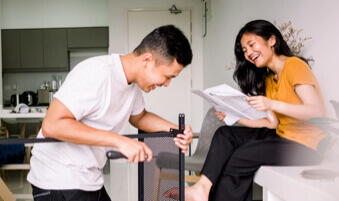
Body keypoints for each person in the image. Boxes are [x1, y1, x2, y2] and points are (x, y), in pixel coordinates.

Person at [164, 19, 327, 201]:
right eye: (245, 50)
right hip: (280, 135)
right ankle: (201, 189)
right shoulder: (269, 78)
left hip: (306, 146)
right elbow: (272, 123)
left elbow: (316, 112)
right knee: (225, 134)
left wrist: (271, 104)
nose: (249, 53)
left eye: (251, 45)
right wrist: (234, 118)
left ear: (272, 40)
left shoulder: (294, 65)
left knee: (238, 159)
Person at [27, 25, 193, 201]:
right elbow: (52, 125)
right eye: (167, 77)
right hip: (58, 180)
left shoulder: (133, 86)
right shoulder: (97, 74)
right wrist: (119, 141)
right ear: (147, 60)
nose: (166, 84)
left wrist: (176, 129)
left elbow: (140, 117)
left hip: (89, 178)